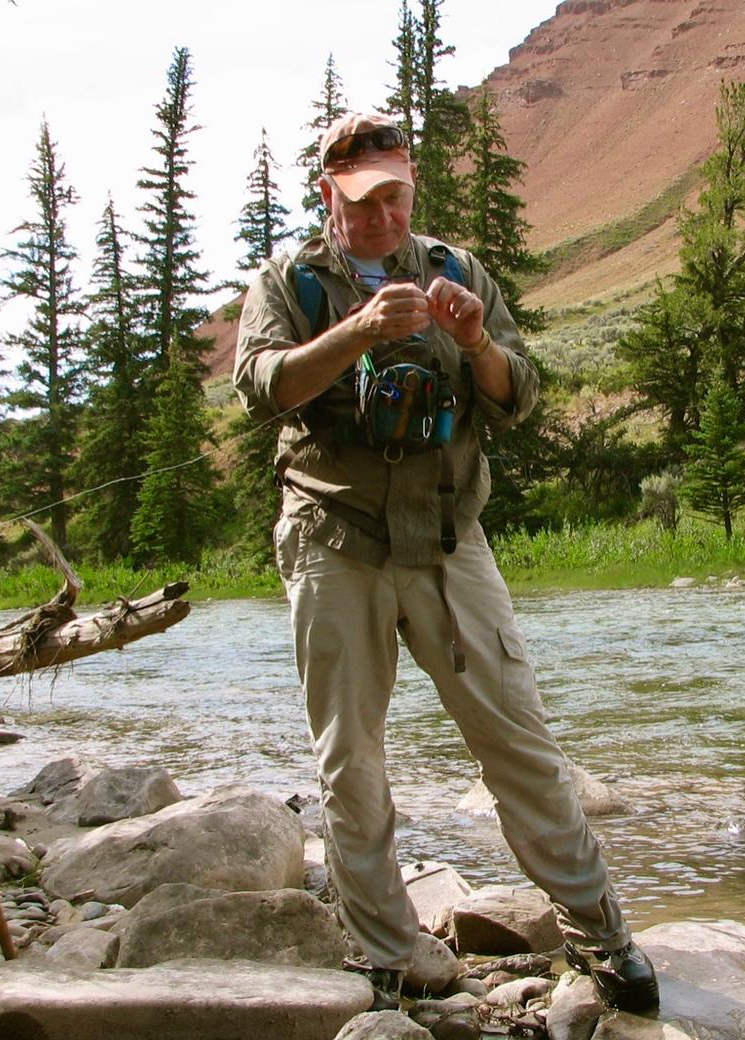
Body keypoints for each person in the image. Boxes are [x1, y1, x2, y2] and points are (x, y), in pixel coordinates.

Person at [233, 112, 658, 1015]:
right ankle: (392, 952)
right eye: (362, 200)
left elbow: (521, 396)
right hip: (334, 538)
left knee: (520, 740)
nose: (382, 215)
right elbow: (262, 387)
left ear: (411, 187)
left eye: (395, 196)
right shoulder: (289, 282)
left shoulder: (461, 272)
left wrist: (476, 344)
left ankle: (598, 930)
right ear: (329, 197)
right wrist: (352, 336)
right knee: (351, 757)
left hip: (451, 542)